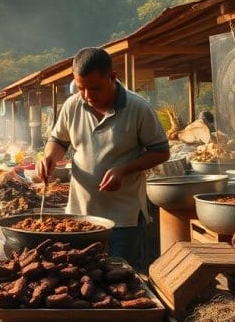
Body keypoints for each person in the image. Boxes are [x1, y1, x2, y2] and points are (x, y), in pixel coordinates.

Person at [37, 47, 170, 270]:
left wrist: (124, 169)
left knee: (121, 277)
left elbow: (161, 151)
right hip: (79, 216)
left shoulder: (138, 108)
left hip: (123, 219)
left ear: (112, 77)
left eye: (95, 88)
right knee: (79, 277)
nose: (88, 96)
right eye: (81, 89)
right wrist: (49, 157)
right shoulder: (73, 105)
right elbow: (59, 140)